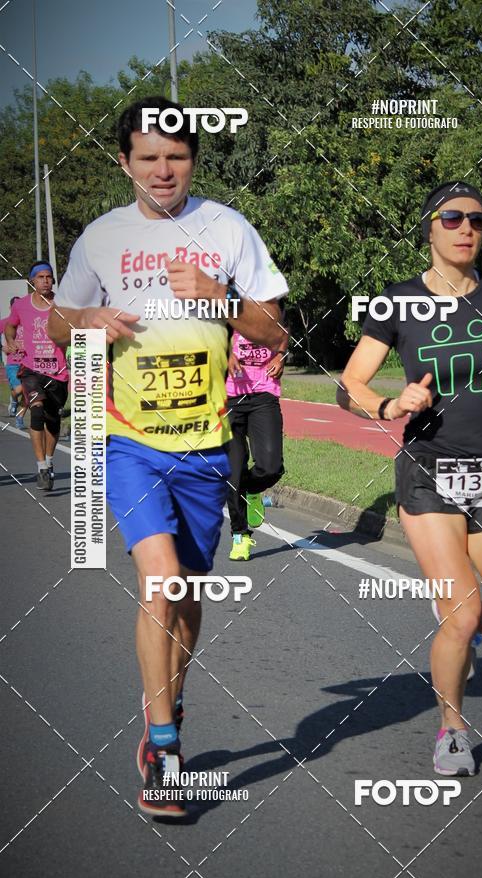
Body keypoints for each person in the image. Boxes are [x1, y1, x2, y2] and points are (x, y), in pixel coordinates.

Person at [48, 95, 288, 817]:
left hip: (207, 446)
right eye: (147, 157)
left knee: (185, 593)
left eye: (176, 157)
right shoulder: (101, 238)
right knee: (159, 580)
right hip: (131, 442)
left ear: (194, 161)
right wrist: (84, 317)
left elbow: (274, 330)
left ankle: (170, 708)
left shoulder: (228, 229)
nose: (162, 170)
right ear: (124, 162)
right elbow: (60, 323)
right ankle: (163, 749)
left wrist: (220, 297)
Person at [338, 181, 482, 777]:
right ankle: (452, 730)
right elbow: (349, 385)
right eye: (452, 218)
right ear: (429, 227)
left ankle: (461, 643)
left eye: (477, 220)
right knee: (462, 615)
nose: (467, 228)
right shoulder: (396, 301)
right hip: (429, 472)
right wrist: (390, 405)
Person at [226, 316, 287, 561]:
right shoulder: (223, 308)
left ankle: (252, 491)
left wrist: (281, 355)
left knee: (271, 466)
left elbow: (283, 333)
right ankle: (240, 535)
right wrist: (224, 355)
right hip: (227, 398)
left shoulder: (270, 308)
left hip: (264, 394)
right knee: (233, 472)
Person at [5, 264, 69, 487]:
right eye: (41, 277)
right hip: (31, 369)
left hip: (59, 372)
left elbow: (76, 328)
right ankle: (41, 467)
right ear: (32, 281)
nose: (46, 281)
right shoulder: (22, 305)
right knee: (37, 410)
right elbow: (10, 326)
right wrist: (11, 341)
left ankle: (49, 462)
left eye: (49, 277)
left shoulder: (63, 303)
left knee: (53, 418)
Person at [1, 297, 26, 428]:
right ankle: (14, 401)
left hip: (29, 362)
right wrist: (2, 347)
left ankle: (20, 417)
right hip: (13, 363)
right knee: (19, 389)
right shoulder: (5, 322)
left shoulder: (29, 320)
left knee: (28, 392)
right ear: (11, 308)